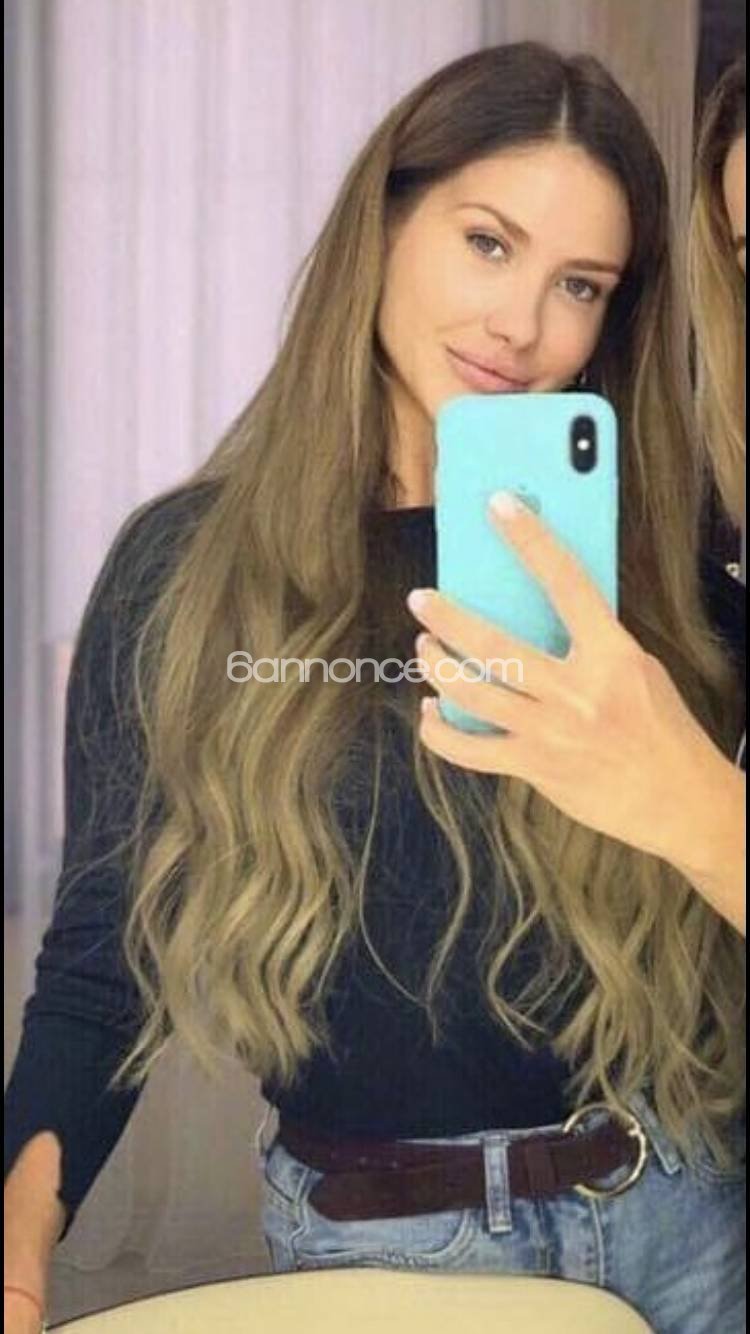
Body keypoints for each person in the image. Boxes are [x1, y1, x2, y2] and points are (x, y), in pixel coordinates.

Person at [4, 43, 745, 1334]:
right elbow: (103, 957)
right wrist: (21, 1230)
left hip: (684, 1219)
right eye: (487, 242)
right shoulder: (187, 575)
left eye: (580, 284)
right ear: (384, 227)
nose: (520, 323)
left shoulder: (672, 574)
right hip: (382, 1244)